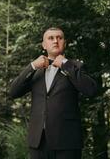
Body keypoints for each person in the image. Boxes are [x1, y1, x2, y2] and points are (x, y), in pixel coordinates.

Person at [9, 27, 97, 159]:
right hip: (38, 142)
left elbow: (91, 90)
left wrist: (65, 65)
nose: (55, 41)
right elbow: (13, 92)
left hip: (67, 141)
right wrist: (32, 66)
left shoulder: (76, 66)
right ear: (44, 45)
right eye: (51, 38)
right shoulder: (35, 71)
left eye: (59, 38)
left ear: (64, 43)